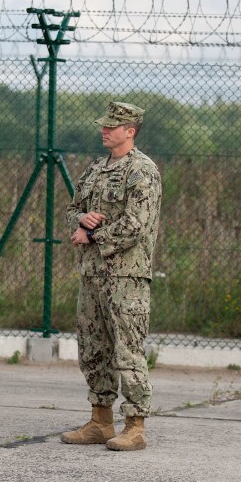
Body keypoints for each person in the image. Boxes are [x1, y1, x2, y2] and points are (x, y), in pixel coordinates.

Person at [62, 101, 162, 452]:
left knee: (127, 350)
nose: (104, 130)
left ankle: (135, 426)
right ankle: (101, 420)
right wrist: (81, 220)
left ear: (129, 131)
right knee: (93, 348)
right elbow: (72, 210)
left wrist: (93, 236)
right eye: (104, 125)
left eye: (112, 126)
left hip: (126, 277)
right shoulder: (94, 170)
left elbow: (137, 225)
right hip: (92, 275)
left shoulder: (142, 171)